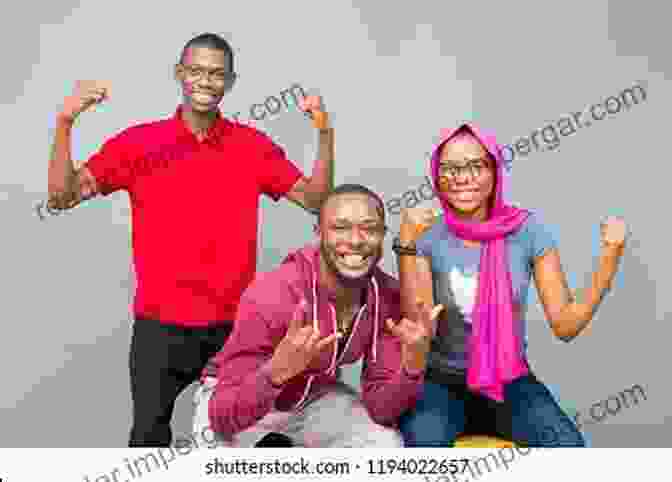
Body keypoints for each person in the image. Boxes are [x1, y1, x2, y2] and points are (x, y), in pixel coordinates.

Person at [45, 33, 335, 447]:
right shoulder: (139, 143)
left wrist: (325, 135)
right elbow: (61, 197)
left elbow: (315, 200)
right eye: (196, 70)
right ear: (179, 75)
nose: (205, 80)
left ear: (230, 82)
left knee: (239, 441)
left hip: (234, 329)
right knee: (148, 442)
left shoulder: (250, 147)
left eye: (216, 73)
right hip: (159, 327)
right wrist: (65, 121)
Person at [394, 123, 628, 447]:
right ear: (436, 173)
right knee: (422, 451)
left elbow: (565, 325)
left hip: (510, 380)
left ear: (495, 170)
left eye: (476, 165)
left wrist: (609, 257)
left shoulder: (526, 231)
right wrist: (407, 245)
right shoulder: (425, 233)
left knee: (568, 449)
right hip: (440, 383)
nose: (462, 177)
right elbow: (422, 330)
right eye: (450, 168)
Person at [193, 184, 443, 447]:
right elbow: (222, 416)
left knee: (383, 443)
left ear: (382, 235)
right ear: (318, 233)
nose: (356, 240)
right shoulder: (273, 293)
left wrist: (412, 367)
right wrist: (275, 373)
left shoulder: (385, 295)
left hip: (310, 396)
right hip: (238, 398)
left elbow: (382, 409)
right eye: (340, 228)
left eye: (369, 228)